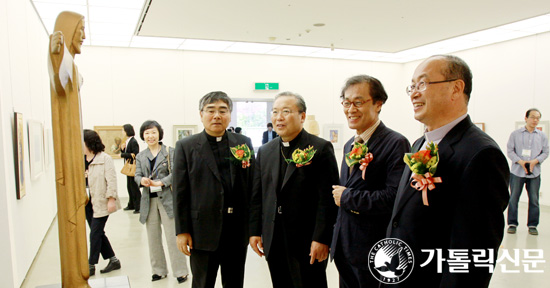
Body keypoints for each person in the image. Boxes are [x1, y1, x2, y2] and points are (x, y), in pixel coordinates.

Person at [384, 55, 509, 287]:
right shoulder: (419, 144)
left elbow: (473, 254)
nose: (414, 93)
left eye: (422, 83)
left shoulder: (481, 154)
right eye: (411, 86)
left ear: (456, 88)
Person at [249, 91, 339, 288]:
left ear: (302, 116)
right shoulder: (266, 150)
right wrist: (255, 231)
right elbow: (258, 195)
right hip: (274, 236)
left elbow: (327, 199)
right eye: (275, 112)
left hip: (307, 239)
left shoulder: (320, 148)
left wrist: (322, 238)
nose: (278, 117)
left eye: (286, 111)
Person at [331, 75, 410, 287]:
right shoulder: (349, 144)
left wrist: (348, 197)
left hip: (373, 249)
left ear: (378, 103)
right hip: (345, 246)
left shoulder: (396, 143)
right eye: (346, 103)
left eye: (358, 102)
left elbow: (394, 197)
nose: (350, 109)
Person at [173, 91, 254, 288]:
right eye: (211, 110)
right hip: (202, 231)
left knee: (234, 282)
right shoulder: (186, 146)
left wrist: (254, 228)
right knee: (202, 283)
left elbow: (252, 186)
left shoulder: (243, 143)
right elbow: (180, 192)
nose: (216, 115)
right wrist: (182, 231)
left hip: (236, 230)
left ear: (230, 115)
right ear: (201, 114)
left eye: (222, 111)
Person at [48, 11, 89, 285]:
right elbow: (59, 82)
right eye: (81, 29)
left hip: (74, 145)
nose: (84, 36)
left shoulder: (72, 64)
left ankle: (78, 274)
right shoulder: (65, 62)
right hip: (68, 148)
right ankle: (73, 277)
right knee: (71, 215)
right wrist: (56, 51)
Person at [134, 120, 189, 284]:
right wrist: (141, 180)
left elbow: (177, 173)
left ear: (159, 134)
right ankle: (158, 270)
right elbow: (136, 175)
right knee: (153, 239)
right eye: (147, 133)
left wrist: (162, 182)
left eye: (153, 132)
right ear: (143, 136)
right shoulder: (140, 156)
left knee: (173, 237)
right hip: (149, 202)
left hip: (167, 199)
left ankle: (181, 271)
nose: (150, 136)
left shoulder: (169, 152)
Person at [83, 129, 122, 276]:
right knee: (98, 233)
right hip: (87, 203)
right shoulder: (81, 159)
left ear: (89, 143)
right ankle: (114, 260)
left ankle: (91, 264)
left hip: (102, 202)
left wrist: (111, 199)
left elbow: (111, 180)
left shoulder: (104, 158)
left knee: (94, 234)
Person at [506, 108, 549, 235]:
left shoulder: (542, 136)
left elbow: (546, 152)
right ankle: (512, 223)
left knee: (534, 200)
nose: (536, 120)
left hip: (534, 173)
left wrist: (535, 161)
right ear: (526, 118)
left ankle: (532, 225)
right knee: (513, 198)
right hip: (517, 172)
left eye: (538, 118)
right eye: (533, 117)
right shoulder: (515, 134)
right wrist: (521, 162)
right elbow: (510, 150)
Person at [120, 124, 141, 214]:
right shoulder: (128, 141)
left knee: (134, 187)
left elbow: (136, 154)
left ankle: (138, 207)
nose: (122, 132)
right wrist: (122, 150)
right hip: (129, 168)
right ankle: (131, 204)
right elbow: (128, 153)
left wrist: (123, 154)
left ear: (126, 131)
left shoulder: (133, 141)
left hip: (133, 168)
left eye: (123, 130)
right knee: (129, 186)